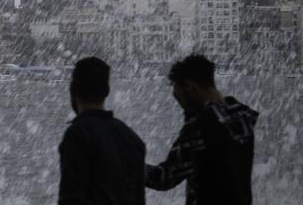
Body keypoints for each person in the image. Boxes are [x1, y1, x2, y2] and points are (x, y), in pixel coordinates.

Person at [146, 54, 258, 205]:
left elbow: (163, 178)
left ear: (190, 87)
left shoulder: (201, 126)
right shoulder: (241, 116)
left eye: (179, 98)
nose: (182, 106)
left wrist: (124, 164)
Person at [58, 56, 146, 205]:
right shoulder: (131, 138)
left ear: (73, 90)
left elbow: (71, 198)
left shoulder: (77, 135)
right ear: (107, 91)